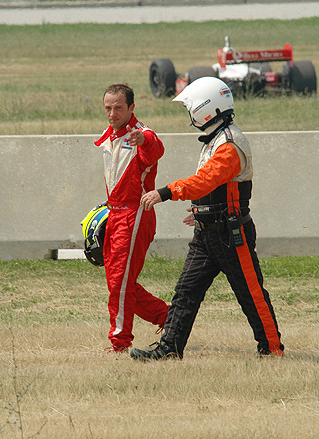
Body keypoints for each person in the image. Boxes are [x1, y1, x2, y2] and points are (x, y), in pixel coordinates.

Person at [130, 76, 284, 361]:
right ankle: (169, 349)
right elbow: (216, 189)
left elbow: (205, 181)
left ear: (205, 109)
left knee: (250, 293)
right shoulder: (215, 139)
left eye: (191, 108)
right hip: (207, 233)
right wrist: (200, 210)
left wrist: (164, 192)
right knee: (186, 291)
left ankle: (272, 349)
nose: (189, 115)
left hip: (230, 235)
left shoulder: (229, 144)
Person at [94, 83, 168, 353]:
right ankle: (167, 317)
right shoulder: (109, 135)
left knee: (121, 283)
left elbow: (155, 149)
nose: (112, 114)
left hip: (136, 213)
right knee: (118, 282)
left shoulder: (142, 134)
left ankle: (120, 342)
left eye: (118, 108)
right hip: (114, 213)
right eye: (108, 108)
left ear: (131, 108)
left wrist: (143, 140)